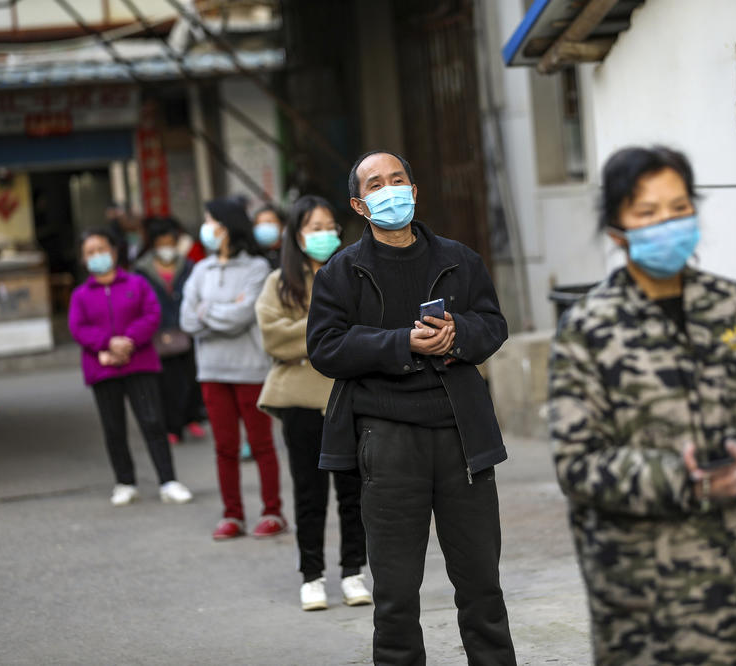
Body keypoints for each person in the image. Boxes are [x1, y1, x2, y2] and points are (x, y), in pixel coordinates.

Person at [548, 145, 736, 665]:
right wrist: (681, 476)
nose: (666, 223)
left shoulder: (733, 305)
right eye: (647, 213)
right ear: (616, 229)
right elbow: (576, 462)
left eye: (678, 208)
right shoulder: (589, 330)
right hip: (655, 612)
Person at [307, 151, 516, 665]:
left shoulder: (459, 259)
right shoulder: (342, 272)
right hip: (387, 439)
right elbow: (325, 347)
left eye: (397, 179)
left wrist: (456, 334)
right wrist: (402, 343)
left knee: (482, 588)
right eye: (376, 184)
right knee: (397, 597)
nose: (390, 190)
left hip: (462, 438)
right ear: (359, 204)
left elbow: (493, 324)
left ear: (415, 191)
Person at [256, 195, 371, 612]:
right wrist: (329, 328)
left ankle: (354, 570)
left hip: (348, 395)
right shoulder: (278, 282)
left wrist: (312, 335)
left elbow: (368, 329)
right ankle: (312, 575)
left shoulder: (353, 272)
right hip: (299, 400)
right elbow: (273, 337)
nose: (323, 235)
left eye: (328, 227)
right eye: (313, 228)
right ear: (296, 234)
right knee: (309, 492)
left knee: (353, 490)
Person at [180, 198, 286, 541]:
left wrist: (206, 312)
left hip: (249, 369)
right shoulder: (199, 270)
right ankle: (233, 515)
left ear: (228, 227)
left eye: (212, 222)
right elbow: (185, 319)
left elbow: (244, 316)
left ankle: (273, 511)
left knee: (261, 445)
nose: (207, 229)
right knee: (224, 447)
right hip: (211, 370)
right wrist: (224, 311)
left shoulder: (256, 268)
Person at [68, 228, 193, 507]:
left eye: (101, 249)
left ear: (114, 252)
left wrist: (129, 341)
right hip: (102, 368)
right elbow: (78, 327)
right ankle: (125, 482)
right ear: (83, 259)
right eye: (90, 252)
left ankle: (168, 480)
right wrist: (107, 343)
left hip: (140, 363)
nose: (97, 256)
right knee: (114, 428)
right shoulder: (81, 295)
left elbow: (152, 314)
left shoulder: (137, 283)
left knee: (153, 422)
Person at [134, 216, 207, 445]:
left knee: (190, 379)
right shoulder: (142, 270)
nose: (166, 248)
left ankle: (190, 419)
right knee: (166, 383)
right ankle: (172, 427)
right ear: (153, 244)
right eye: (162, 243)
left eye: (170, 242)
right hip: (158, 333)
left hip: (186, 329)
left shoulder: (187, 265)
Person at [252, 205, 284, 269]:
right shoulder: (253, 255)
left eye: (268, 222)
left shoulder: (290, 253)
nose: (263, 227)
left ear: (281, 225)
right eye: (259, 223)